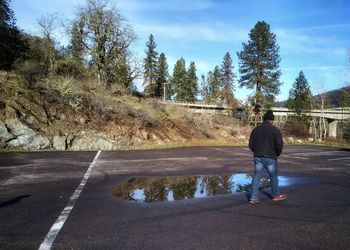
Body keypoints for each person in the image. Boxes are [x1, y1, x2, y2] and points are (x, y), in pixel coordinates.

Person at [248, 110, 287, 204]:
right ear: (272, 119)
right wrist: (277, 154)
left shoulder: (256, 129)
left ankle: (253, 197)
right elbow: (279, 144)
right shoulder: (274, 129)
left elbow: (251, 144)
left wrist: (256, 151)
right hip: (271, 157)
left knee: (256, 176)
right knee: (273, 176)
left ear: (264, 119)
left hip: (258, 157)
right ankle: (276, 195)